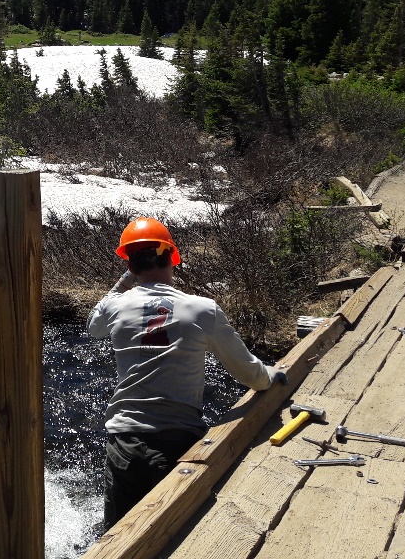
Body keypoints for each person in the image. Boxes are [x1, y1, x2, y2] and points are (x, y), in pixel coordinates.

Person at [87, 216, 287, 530]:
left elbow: (94, 325)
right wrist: (271, 375)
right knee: (173, 535)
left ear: (130, 263)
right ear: (172, 257)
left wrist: (125, 280)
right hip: (178, 445)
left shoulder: (116, 307)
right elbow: (250, 375)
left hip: (123, 441)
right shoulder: (201, 309)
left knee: (116, 537)